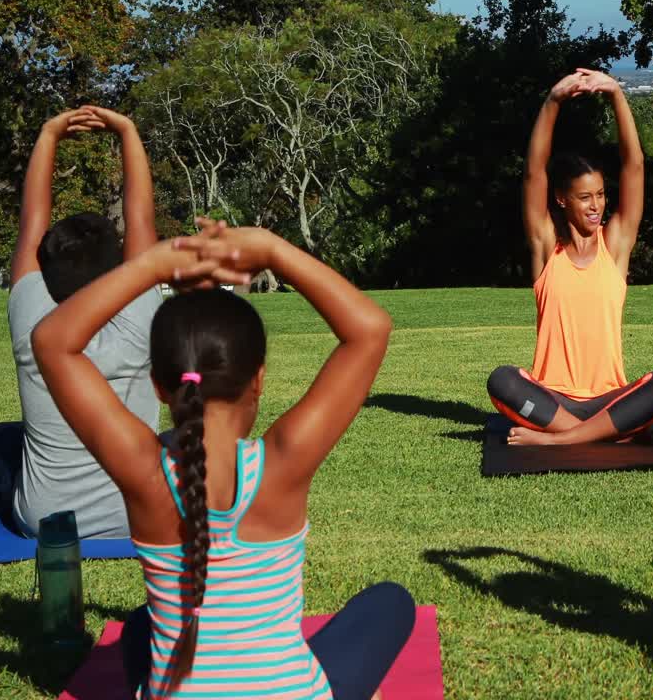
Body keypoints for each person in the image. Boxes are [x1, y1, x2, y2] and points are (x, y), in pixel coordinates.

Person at [31, 222, 412, 699]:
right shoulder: (283, 462)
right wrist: (272, 250)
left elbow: (51, 341)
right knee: (392, 604)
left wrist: (154, 264)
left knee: (138, 630)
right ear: (258, 379)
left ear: (158, 385)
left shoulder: (143, 471)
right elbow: (369, 329)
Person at [0, 106, 162, 538]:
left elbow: (31, 223)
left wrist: (48, 134)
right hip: (139, 514)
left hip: (47, 522)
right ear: (119, 264)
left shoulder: (34, 322)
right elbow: (141, 219)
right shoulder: (141, 312)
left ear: (45, 264)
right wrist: (127, 131)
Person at [487, 69, 653, 446]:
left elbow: (635, 167)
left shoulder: (616, 247)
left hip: (609, 401)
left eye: (601, 195)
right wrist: (553, 101)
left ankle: (562, 439)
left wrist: (616, 95)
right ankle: (604, 434)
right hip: (552, 401)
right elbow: (533, 174)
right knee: (502, 380)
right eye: (585, 197)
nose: (597, 206)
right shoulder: (548, 250)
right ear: (562, 199)